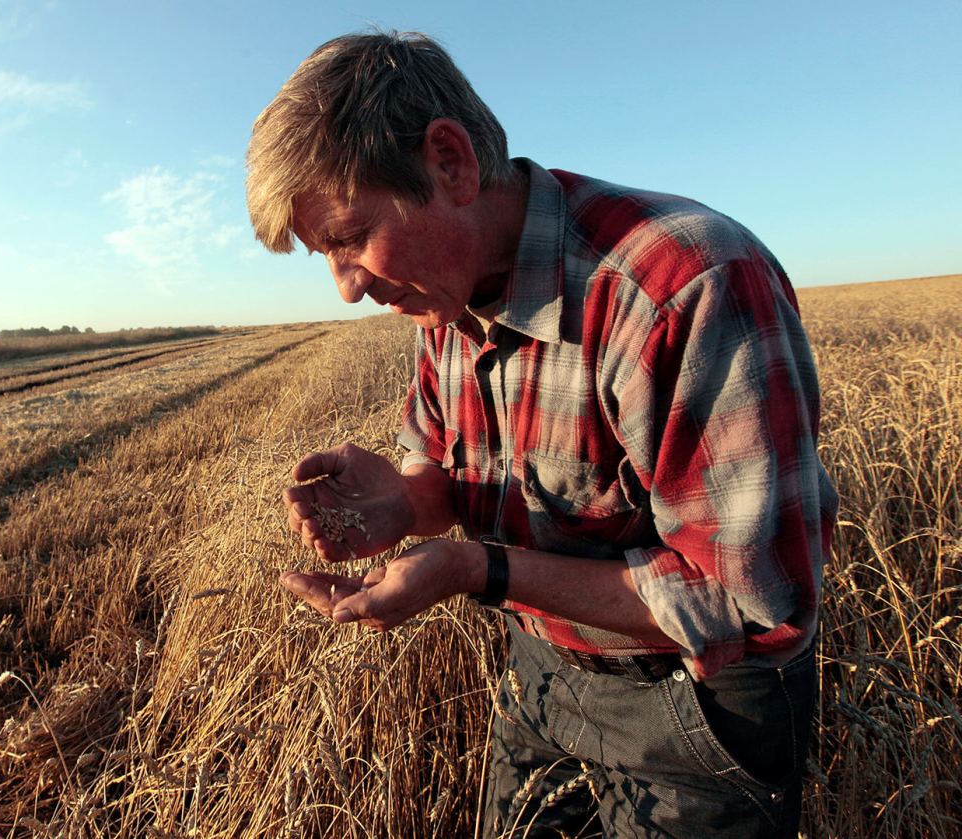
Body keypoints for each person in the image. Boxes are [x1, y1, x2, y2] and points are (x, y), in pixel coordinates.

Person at [246, 30, 838, 839]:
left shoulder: (681, 287)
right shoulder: (443, 299)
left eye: (347, 238)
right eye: (325, 255)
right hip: (543, 681)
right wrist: (404, 502)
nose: (346, 288)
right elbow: (451, 478)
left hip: (699, 709)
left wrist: (472, 568)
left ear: (450, 163)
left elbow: (749, 602)